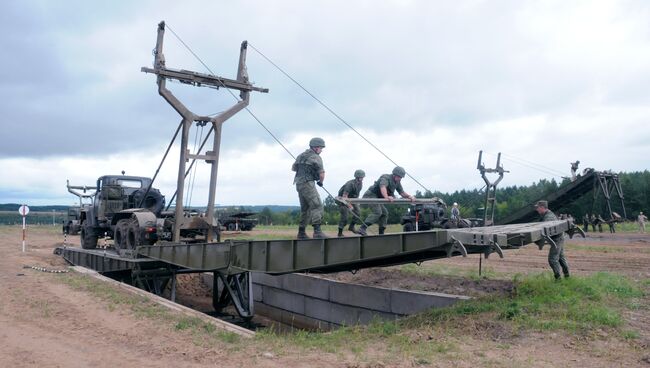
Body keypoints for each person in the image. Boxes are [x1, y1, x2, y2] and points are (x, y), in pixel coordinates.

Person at [357, 166, 415, 235]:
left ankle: (381, 233)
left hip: (378, 198)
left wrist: (409, 196)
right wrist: (387, 196)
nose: (400, 178)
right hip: (371, 195)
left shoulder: (397, 182)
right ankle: (362, 228)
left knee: (384, 213)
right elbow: (383, 187)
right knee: (378, 212)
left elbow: (401, 192)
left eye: (401, 177)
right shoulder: (386, 178)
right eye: (399, 177)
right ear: (394, 175)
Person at [292, 137, 327, 239]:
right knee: (317, 205)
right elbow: (322, 174)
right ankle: (317, 232)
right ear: (316, 147)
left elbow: (294, 168)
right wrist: (320, 182)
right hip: (308, 183)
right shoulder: (316, 157)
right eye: (321, 148)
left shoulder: (300, 156)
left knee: (305, 209)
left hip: (298, 183)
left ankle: (301, 233)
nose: (321, 150)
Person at [535, 200, 570, 280]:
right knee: (560, 258)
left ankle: (558, 279)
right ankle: (567, 277)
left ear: (542, 207)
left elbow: (543, 227)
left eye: (538, 207)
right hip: (558, 237)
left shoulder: (548, 217)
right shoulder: (545, 215)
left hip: (557, 239)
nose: (536, 209)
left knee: (552, 259)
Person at [337, 170, 365, 237]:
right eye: (361, 177)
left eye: (363, 177)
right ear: (357, 177)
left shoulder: (360, 184)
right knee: (345, 217)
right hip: (342, 200)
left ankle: (351, 227)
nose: (362, 178)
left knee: (358, 212)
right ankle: (340, 233)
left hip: (352, 200)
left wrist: (356, 204)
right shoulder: (350, 184)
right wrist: (349, 205)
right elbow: (344, 196)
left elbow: (356, 195)